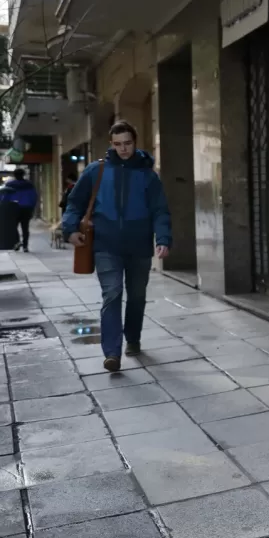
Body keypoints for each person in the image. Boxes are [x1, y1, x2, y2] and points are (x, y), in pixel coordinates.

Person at [64, 122, 171, 372]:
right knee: (111, 294)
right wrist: (70, 230)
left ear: (135, 142)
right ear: (111, 144)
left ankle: (133, 338)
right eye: (118, 144)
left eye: (128, 143)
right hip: (105, 245)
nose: (123, 149)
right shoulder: (96, 171)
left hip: (139, 247)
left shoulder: (147, 175)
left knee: (137, 296)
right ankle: (112, 353)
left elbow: (160, 210)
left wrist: (163, 239)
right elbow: (74, 203)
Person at [0, 169, 38, 251]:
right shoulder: (29, 185)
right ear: (23, 174)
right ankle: (25, 246)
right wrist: (32, 207)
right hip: (27, 208)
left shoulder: (10, 184)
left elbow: (4, 197)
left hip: (13, 208)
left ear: (14, 175)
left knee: (13, 227)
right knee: (25, 227)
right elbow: (34, 197)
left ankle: (17, 242)